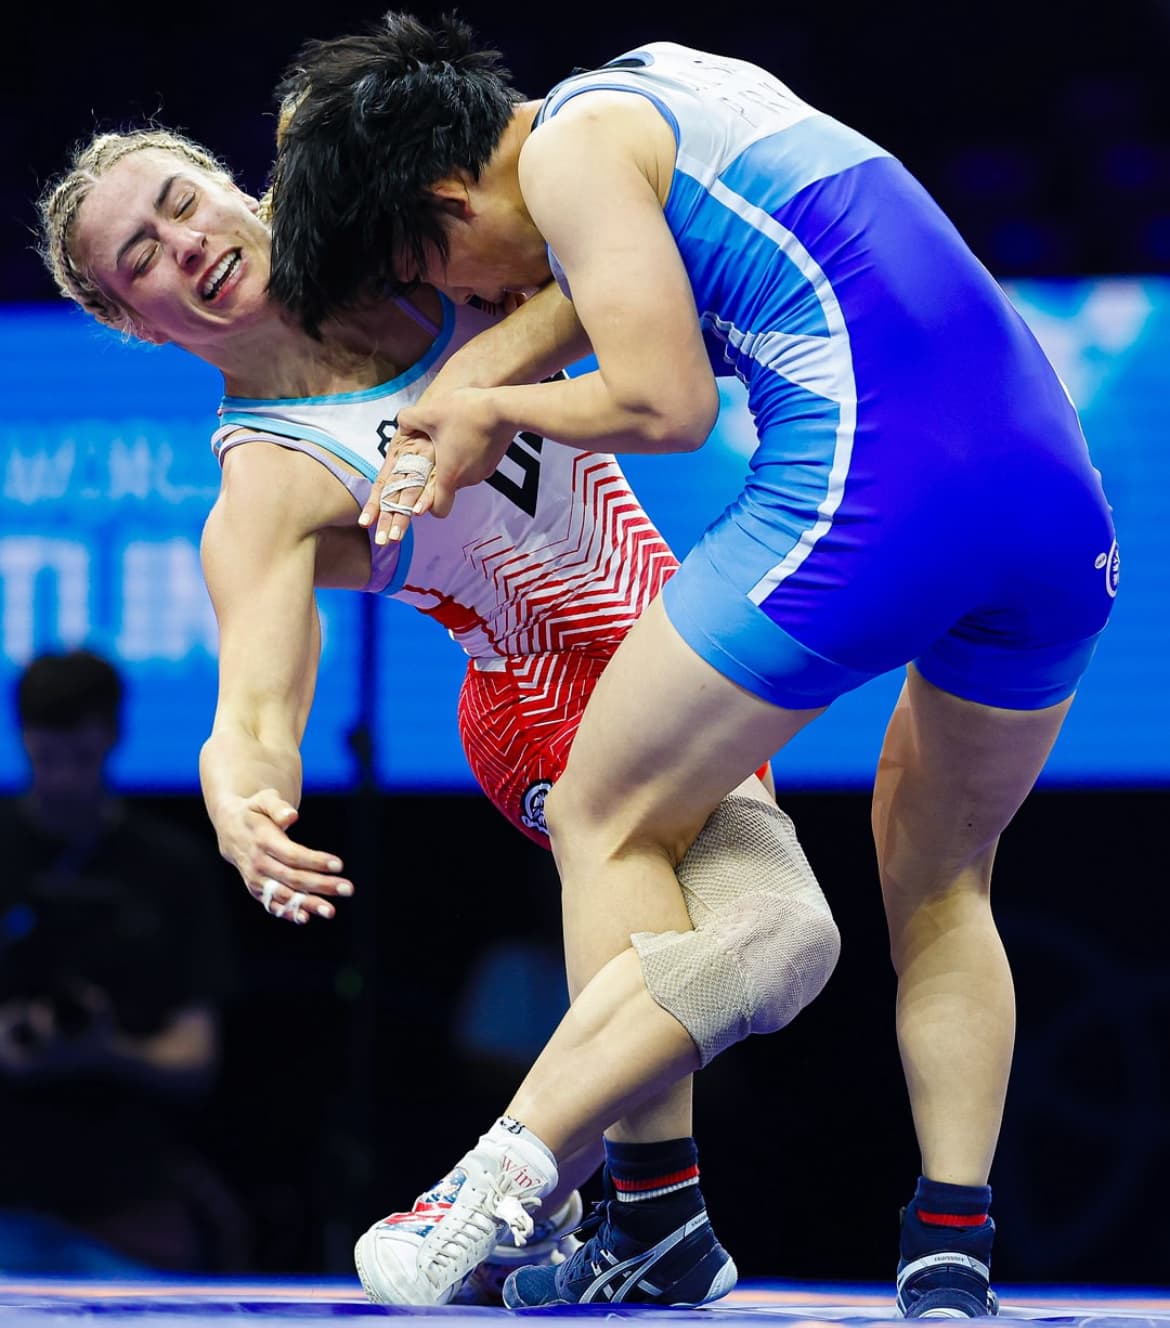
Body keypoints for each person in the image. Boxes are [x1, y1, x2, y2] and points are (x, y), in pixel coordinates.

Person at [267, 12, 1120, 1316]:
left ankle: (634, 1208)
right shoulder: (656, 86)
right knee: (943, 879)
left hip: (880, 484)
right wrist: (483, 367)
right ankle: (951, 1245)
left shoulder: (565, 155)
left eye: (438, 277)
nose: (469, 304)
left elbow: (666, 405)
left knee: (604, 806)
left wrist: (488, 402)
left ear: (447, 202)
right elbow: (593, 294)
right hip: (1054, 500)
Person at [37, 123, 840, 1306]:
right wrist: (241, 798)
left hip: (677, 660)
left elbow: (597, 256)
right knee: (784, 935)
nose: (184, 244)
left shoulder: (410, 243)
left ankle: (628, 1217)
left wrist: (494, 357)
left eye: (180, 202)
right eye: (141, 257)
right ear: (135, 323)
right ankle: (503, 1184)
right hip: (544, 701)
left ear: (235, 188)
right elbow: (254, 707)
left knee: (737, 956)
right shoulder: (267, 483)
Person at [0, 648, 243, 1273]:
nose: (63, 780)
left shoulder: (171, 868)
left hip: (128, 1208)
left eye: (81, 758)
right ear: (22, 739)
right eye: (47, 758)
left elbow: (196, 1057)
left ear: (112, 738)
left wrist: (106, 1050)